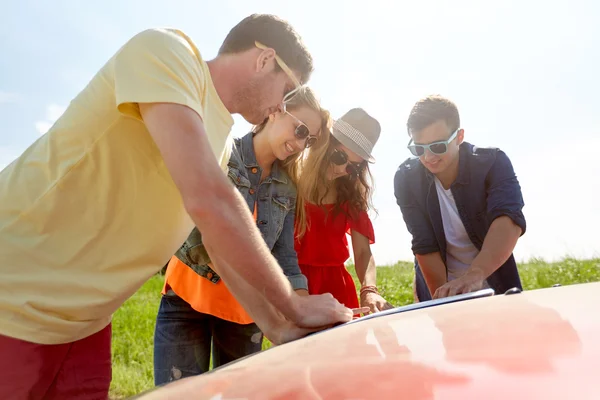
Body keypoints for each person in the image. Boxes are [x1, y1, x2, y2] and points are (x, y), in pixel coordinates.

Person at [0, 14, 355, 400]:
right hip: (15, 297)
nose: (278, 106)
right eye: (286, 91)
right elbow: (209, 199)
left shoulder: (215, 136)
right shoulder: (167, 52)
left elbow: (218, 248)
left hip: (86, 324)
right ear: (265, 58)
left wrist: (277, 325)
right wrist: (293, 305)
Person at [153, 86, 330, 384]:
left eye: (309, 139)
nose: (301, 144)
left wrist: (305, 313)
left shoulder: (287, 188)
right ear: (275, 110)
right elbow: (202, 232)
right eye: (300, 130)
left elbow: (285, 258)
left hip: (246, 318)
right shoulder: (221, 152)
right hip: (185, 301)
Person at [393, 95, 526, 302]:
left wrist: (475, 276)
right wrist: (442, 300)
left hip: (494, 286)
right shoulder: (406, 179)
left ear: (459, 136)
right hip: (438, 288)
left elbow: (508, 220)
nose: (428, 157)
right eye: (419, 148)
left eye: (437, 146)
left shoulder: (493, 163)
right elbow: (424, 243)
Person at [294, 108, 393, 314]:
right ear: (325, 144)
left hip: (338, 292)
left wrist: (369, 290)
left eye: (352, 167)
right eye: (339, 157)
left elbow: (363, 252)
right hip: (294, 285)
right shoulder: (290, 180)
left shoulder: (350, 195)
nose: (342, 170)